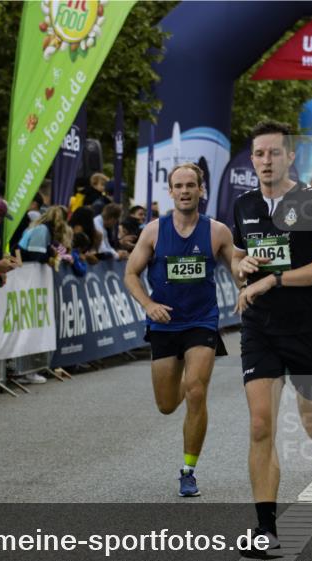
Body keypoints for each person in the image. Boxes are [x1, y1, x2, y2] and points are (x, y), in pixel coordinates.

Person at [230, 121, 312, 555]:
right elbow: (238, 255)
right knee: (261, 423)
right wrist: (241, 267)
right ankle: (266, 529)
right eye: (259, 154)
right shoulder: (244, 205)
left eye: (274, 153)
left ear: (290, 157)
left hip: (308, 328)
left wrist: (275, 279)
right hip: (260, 327)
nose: (266, 161)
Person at [126, 163, 236, 498]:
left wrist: (248, 288)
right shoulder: (153, 231)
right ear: (171, 191)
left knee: (196, 390)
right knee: (166, 404)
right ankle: (182, 388)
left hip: (201, 320)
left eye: (191, 185)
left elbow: (238, 269)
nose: (185, 191)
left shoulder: (217, 232)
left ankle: (188, 471)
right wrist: (148, 304)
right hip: (164, 323)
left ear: (201, 190)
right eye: (179, 186)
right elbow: (130, 274)